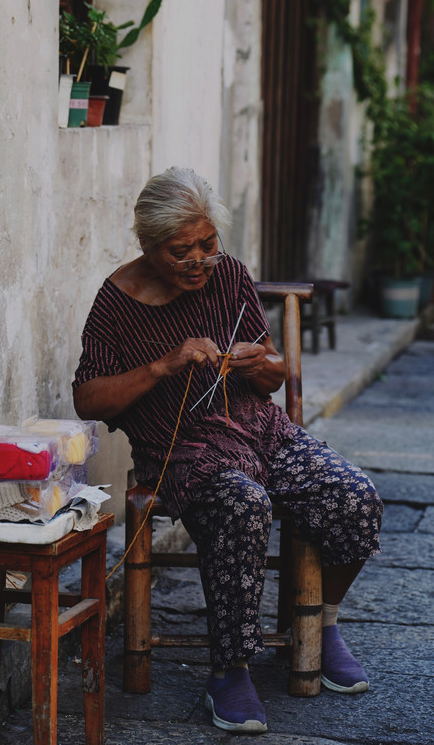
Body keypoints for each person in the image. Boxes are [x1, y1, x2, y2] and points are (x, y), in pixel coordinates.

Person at [72, 166, 382, 735]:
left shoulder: (231, 274)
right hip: (181, 448)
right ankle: (230, 668)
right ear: (148, 245)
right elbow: (88, 398)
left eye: (207, 246)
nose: (198, 262)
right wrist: (162, 365)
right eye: (180, 251)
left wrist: (262, 364)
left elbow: (272, 373)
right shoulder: (116, 303)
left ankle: (325, 623)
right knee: (243, 506)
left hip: (262, 432)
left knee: (353, 495)